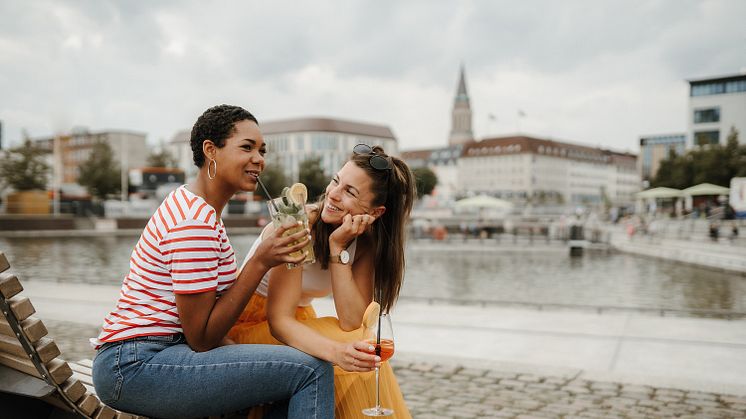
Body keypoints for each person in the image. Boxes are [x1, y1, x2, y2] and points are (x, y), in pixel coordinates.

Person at [91, 105, 334, 419]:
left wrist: (245, 368)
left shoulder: (196, 208)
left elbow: (206, 327)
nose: (259, 159)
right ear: (211, 151)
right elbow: (202, 338)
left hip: (147, 357)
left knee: (285, 375)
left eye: (262, 150)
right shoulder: (194, 223)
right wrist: (260, 261)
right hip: (136, 365)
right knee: (312, 370)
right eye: (246, 147)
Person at [229, 144, 416, 418]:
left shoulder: (364, 244)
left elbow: (352, 321)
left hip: (295, 320)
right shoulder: (296, 224)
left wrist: (337, 249)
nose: (333, 194)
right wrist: (337, 352)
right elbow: (280, 322)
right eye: (336, 181)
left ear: (376, 213)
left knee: (361, 350)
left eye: (350, 192)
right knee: (357, 353)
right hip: (248, 324)